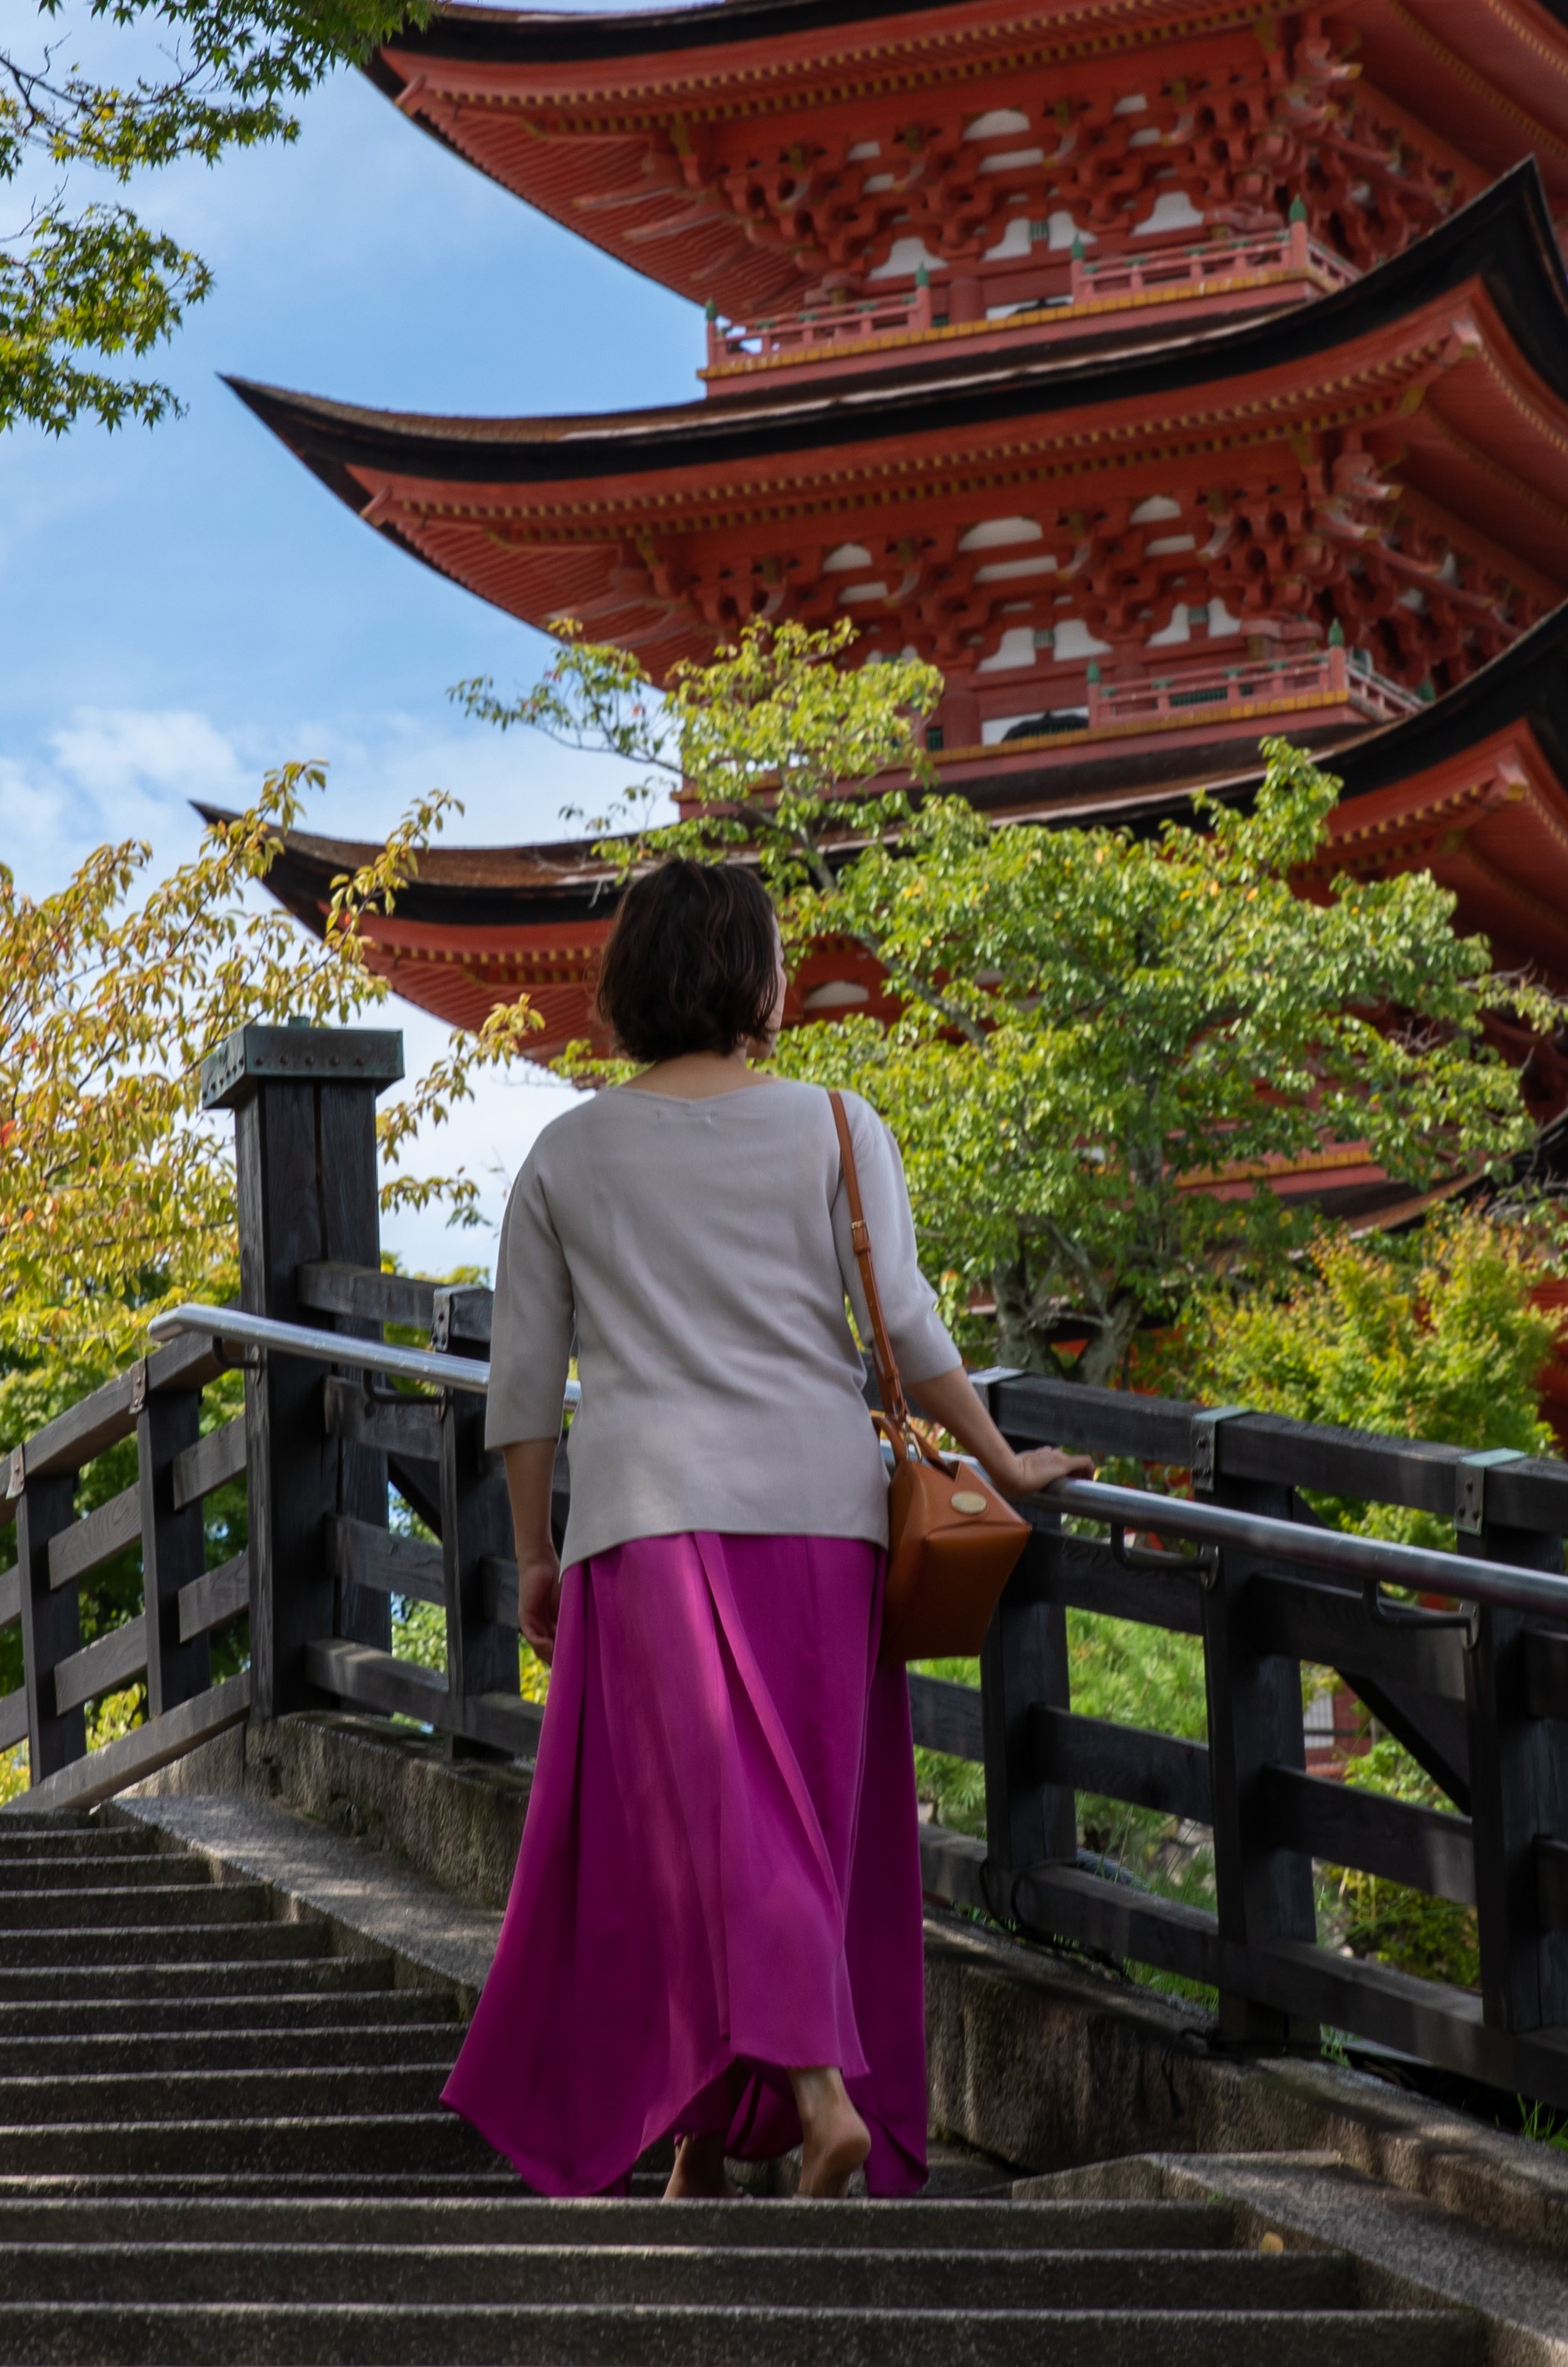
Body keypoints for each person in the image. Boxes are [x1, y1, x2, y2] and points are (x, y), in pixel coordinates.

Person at [435, 854, 1086, 2201]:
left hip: (650, 1520)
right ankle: (705, 2143)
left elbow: (525, 1387)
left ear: (624, 986)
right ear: (762, 980)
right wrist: (1002, 1463)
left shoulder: (569, 1153)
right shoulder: (839, 1126)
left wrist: (536, 1552)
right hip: (822, 1518)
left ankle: (809, 2094)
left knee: (690, 1827)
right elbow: (904, 1328)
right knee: (784, 1824)